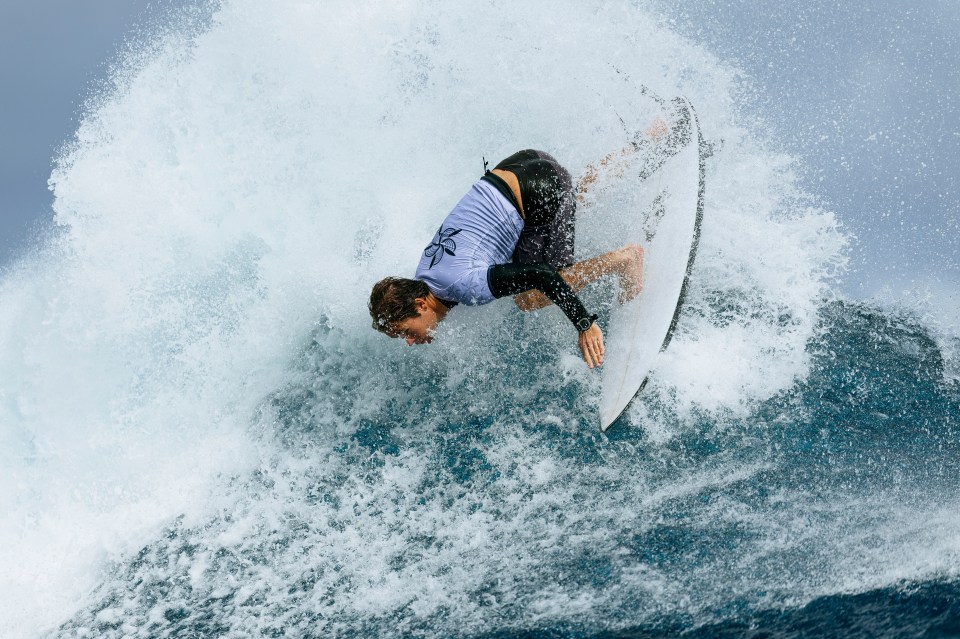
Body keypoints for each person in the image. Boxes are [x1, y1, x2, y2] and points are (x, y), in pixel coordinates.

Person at [368, 148, 645, 369]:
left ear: (419, 303)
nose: (409, 341)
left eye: (406, 331)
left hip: (541, 188)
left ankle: (624, 260)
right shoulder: (426, 273)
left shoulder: (463, 286)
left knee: (529, 298)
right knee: (571, 197)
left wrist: (583, 324)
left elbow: (542, 273)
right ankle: (641, 144)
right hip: (522, 164)